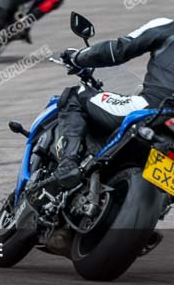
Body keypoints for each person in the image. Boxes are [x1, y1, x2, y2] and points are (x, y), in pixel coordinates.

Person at [53, 18, 174, 188]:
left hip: (152, 108)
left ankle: (68, 164)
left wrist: (77, 58)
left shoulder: (166, 26)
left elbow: (117, 50)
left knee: (75, 96)